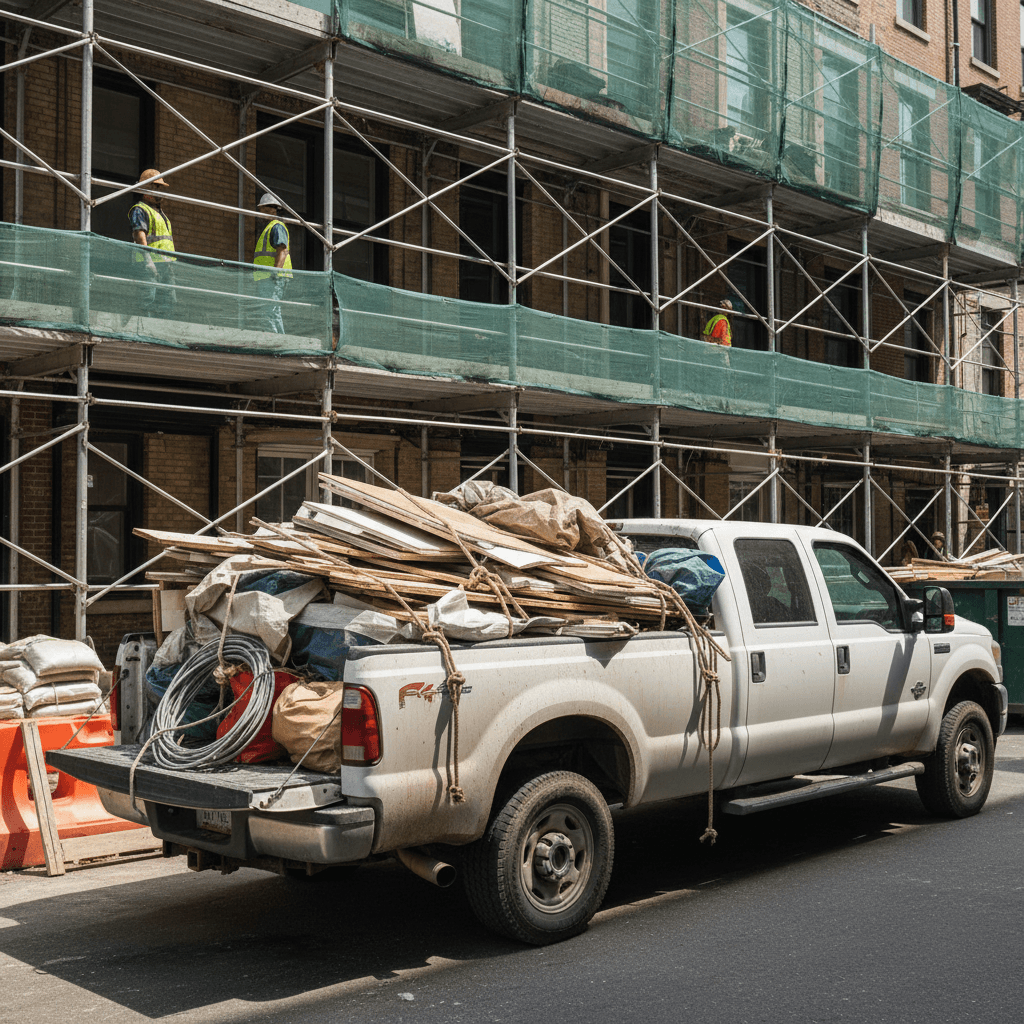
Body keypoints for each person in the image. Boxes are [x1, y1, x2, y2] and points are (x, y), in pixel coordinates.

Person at [129, 168, 176, 319]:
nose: (159, 191)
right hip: (149, 265)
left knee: (168, 302)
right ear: (145, 188)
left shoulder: (160, 213)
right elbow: (139, 235)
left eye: (160, 187)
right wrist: (148, 260)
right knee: (148, 299)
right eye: (156, 187)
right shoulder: (140, 210)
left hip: (165, 266)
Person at [253, 193, 292, 334]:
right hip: (267, 278)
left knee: (268, 310)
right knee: (272, 311)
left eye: (262, 209)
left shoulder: (276, 226)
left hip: (273, 277)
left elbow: (282, 250)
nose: (260, 212)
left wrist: (275, 273)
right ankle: (278, 341)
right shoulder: (270, 228)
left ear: (271, 209)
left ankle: (275, 342)